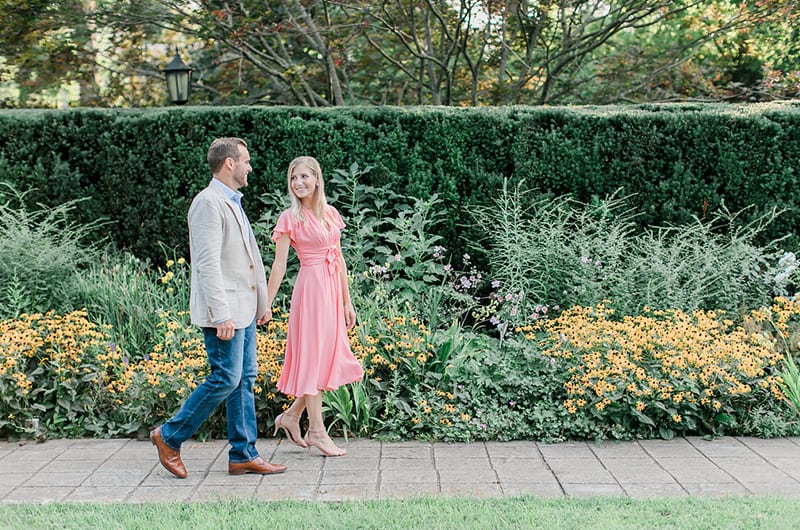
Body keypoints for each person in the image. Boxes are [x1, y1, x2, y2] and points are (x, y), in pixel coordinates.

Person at [150, 137, 287, 478]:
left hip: (244, 309)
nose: (249, 167)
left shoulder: (232, 201)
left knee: (244, 379)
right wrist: (220, 313)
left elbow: (246, 260)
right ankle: (169, 436)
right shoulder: (208, 203)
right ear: (230, 163)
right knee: (225, 377)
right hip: (225, 311)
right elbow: (207, 263)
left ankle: (243, 454)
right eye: (246, 160)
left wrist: (261, 303)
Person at [266, 156, 364, 457]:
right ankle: (317, 432)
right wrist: (266, 303)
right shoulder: (289, 219)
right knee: (312, 359)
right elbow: (280, 264)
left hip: (332, 291)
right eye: (294, 178)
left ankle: (292, 416)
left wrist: (347, 301)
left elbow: (340, 258)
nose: (299, 183)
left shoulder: (331, 213)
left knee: (325, 359)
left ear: (317, 179)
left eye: (304, 177)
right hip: (310, 291)